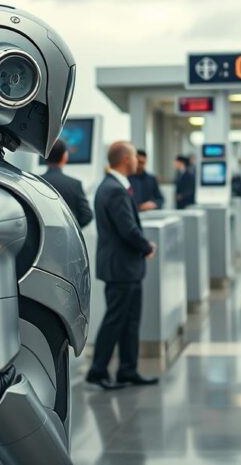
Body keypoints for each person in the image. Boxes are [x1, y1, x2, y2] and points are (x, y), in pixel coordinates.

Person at [87, 141, 158, 390]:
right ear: (126, 159)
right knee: (116, 320)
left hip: (124, 267)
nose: (138, 161)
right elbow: (127, 229)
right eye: (135, 157)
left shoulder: (112, 186)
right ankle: (97, 371)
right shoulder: (115, 189)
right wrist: (147, 246)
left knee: (130, 321)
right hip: (121, 268)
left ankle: (128, 370)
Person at [41, 139, 94, 229]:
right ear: (65, 157)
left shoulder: (36, 182)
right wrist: (71, 230)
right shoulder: (74, 184)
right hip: (66, 236)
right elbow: (87, 215)